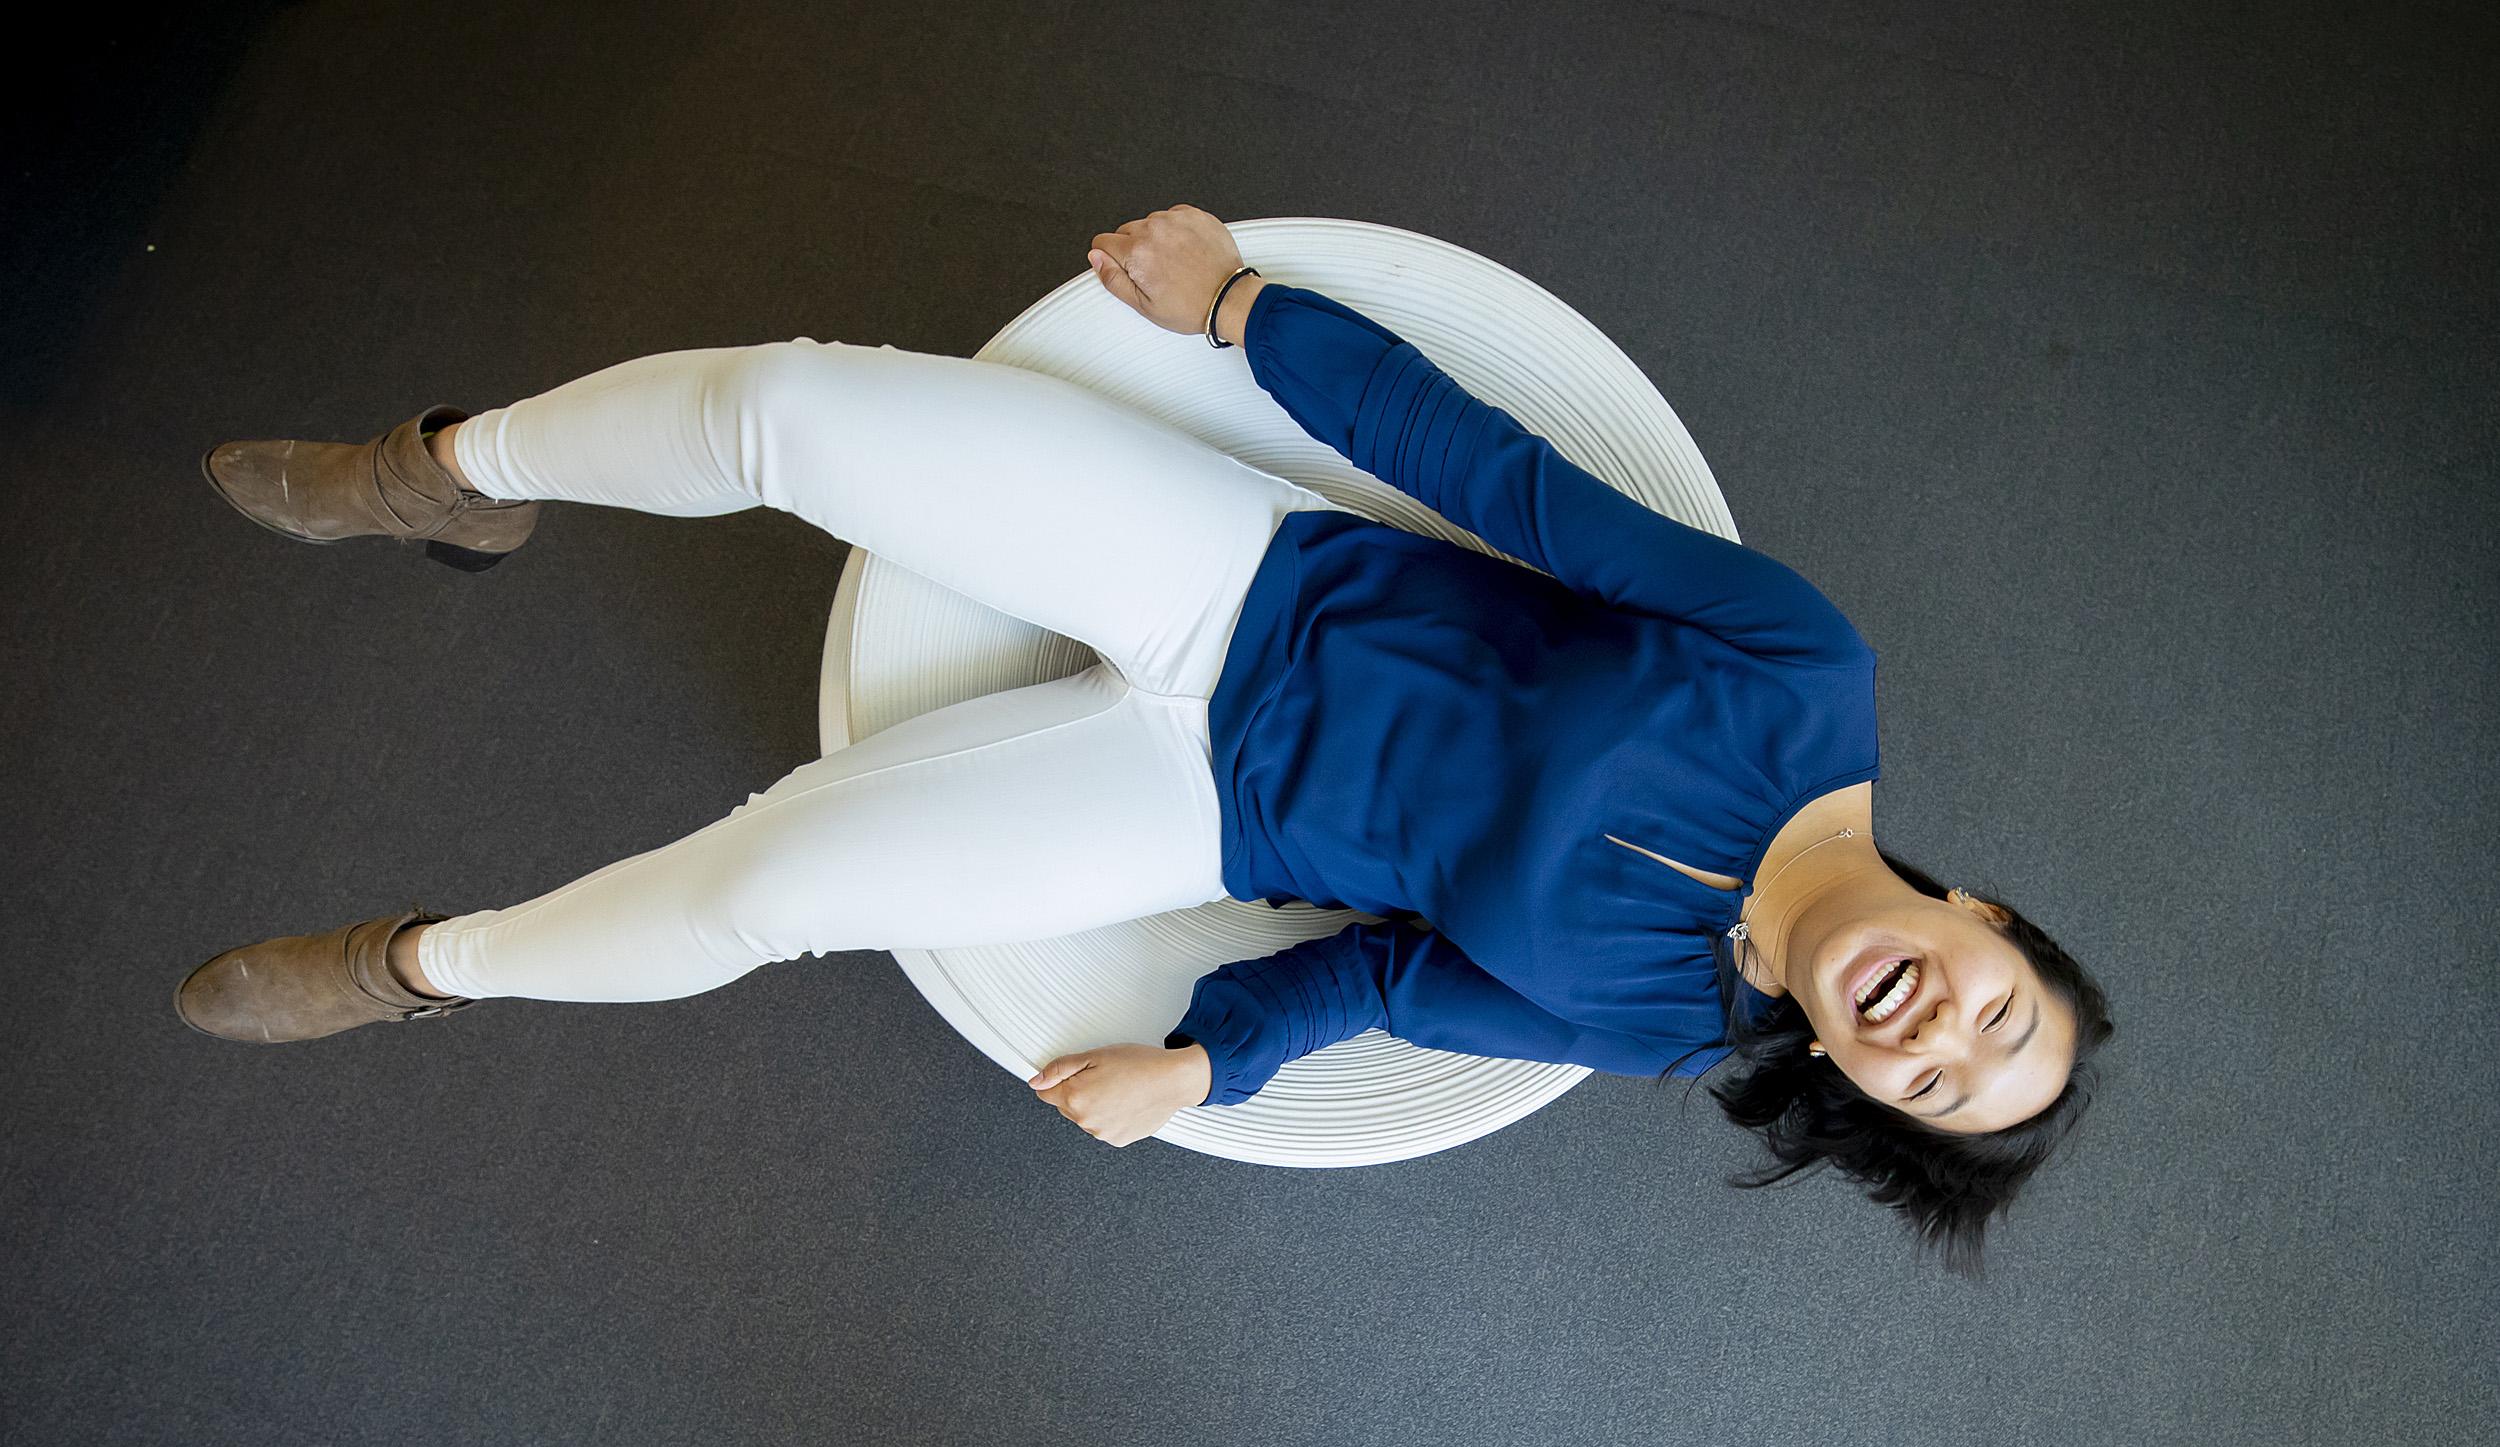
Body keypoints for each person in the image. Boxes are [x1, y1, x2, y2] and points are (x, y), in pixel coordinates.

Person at [179, 206, 2114, 1268]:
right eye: (1996, 1017)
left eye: (1938, 1088)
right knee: (784, 410)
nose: (1939, 1037)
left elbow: (1387, 982)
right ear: (1997, 923)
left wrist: (1206, 1070)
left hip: (1201, 808)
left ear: (1864, 1101)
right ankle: (445, 471)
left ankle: (419, 968)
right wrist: (1252, 310)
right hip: (1248, 581)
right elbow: (1504, 483)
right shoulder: (1803, 674)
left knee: (768, 889)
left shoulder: (1657, 1034)